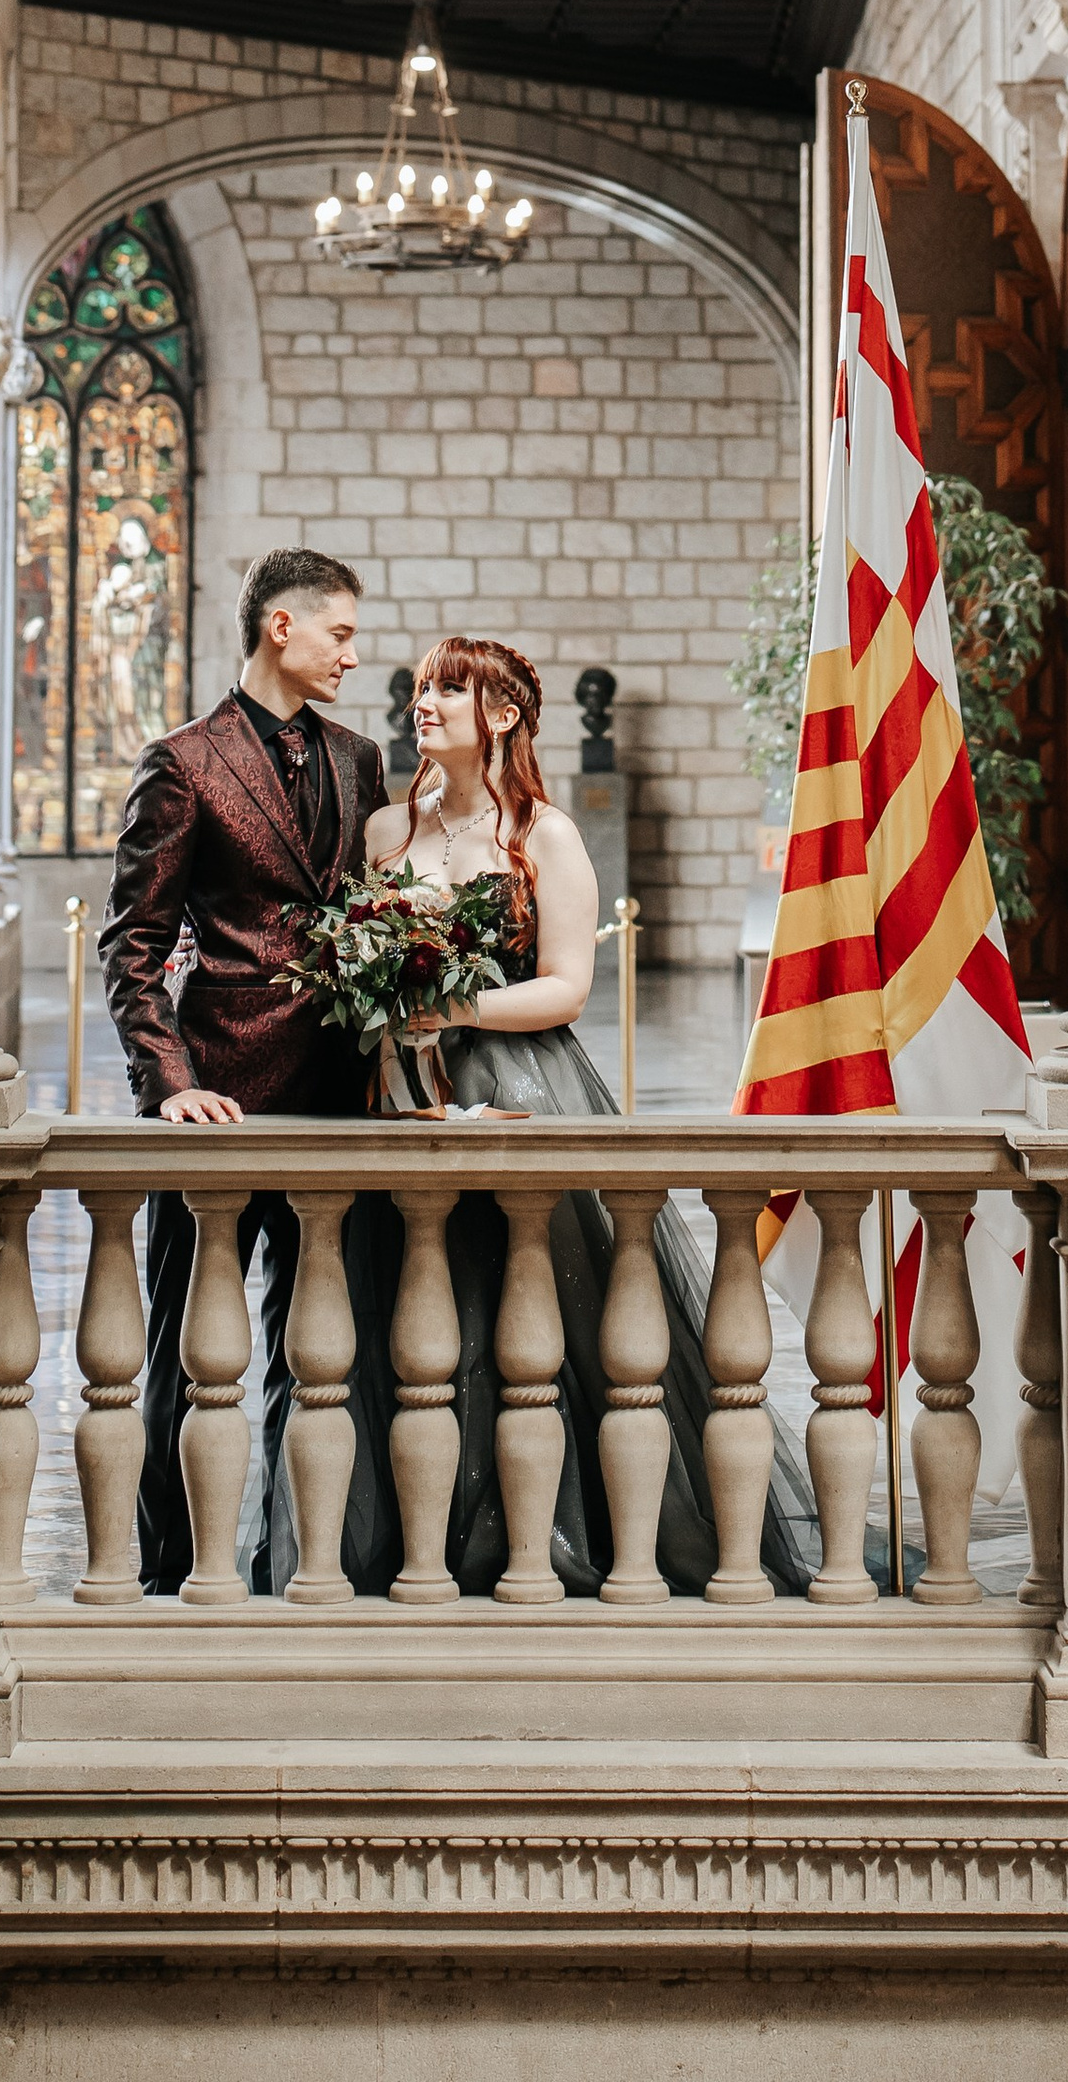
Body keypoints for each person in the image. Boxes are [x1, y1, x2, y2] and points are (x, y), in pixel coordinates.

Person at [316, 635, 819, 1600]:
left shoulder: (546, 836)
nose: (427, 704)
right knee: (416, 1303)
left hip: (521, 1088)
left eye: (450, 691)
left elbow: (567, 989)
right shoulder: (385, 834)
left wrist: (452, 1008)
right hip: (403, 1097)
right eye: (423, 688)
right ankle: (423, 1531)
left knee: (532, 1306)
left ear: (500, 716)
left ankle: (544, 1526)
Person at [100, 543, 384, 1592]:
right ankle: (177, 1566)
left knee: (320, 1351)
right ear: (281, 626)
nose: (352, 655)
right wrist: (170, 1086)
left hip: (337, 1100)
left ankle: (299, 1560)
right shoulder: (181, 761)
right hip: (214, 1100)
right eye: (340, 633)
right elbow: (132, 945)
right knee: (190, 1352)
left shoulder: (358, 761)